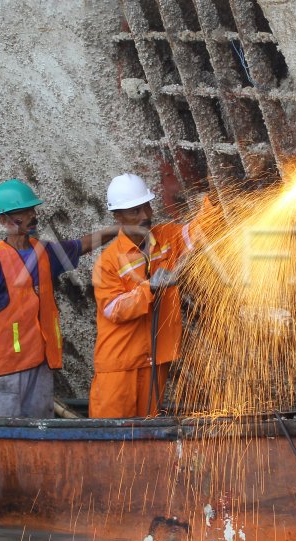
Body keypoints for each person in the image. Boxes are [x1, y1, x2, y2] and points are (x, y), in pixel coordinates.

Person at [0, 179, 116, 417]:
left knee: (38, 432)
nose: (32, 215)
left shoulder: (44, 252)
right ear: (4, 220)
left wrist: (115, 230)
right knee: (2, 435)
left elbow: (81, 245)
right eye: (23, 212)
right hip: (7, 369)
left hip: (41, 364)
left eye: (32, 209)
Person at [89, 174, 212, 418]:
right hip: (120, 365)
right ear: (118, 217)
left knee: (146, 437)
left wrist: (214, 200)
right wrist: (150, 288)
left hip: (155, 360)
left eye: (146, 206)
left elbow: (198, 230)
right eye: (135, 211)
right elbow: (114, 309)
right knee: (113, 439)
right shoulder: (108, 262)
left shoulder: (165, 238)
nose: (145, 216)